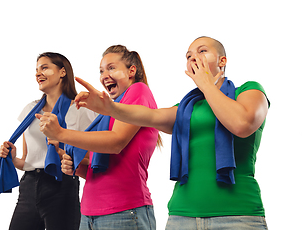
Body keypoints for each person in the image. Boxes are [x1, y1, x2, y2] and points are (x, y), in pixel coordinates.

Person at [74, 37, 270, 230]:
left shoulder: (248, 91)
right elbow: (150, 116)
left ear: (222, 61)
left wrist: (207, 85)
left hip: (238, 216)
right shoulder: (186, 108)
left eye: (202, 51)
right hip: (181, 216)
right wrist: (111, 109)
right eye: (188, 55)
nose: (194, 58)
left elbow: (242, 124)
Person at [36, 45, 160, 230]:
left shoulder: (137, 91)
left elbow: (116, 142)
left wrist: (61, 133)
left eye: (112, 68)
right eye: (101, 71)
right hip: (89, 212)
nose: (104, 75)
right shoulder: (108, 111)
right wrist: (76, 165)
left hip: (125, 211)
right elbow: (101, 167)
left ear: (131, 71)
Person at [0, 52, 96, 230]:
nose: (38, 74)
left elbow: (90, 159)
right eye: (36, 70)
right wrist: (12, 158)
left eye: (45, 68)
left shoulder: (80, 109)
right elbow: (27, 159)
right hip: (28, 186)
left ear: (62, 72)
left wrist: (62, 152)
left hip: (62, 186)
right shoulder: (30, 110)